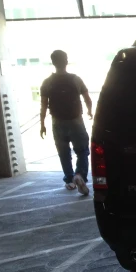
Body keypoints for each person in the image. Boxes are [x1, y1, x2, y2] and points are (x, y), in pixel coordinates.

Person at [39, 50, 93, 195]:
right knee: (82, 151)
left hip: (57, 122)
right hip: (76, 120)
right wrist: (89, 111)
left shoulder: (47, 82)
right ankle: (80, 175)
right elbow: (88, 98)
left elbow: (43, 105)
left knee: (63, 153)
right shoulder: (76, 79)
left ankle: (69, 180)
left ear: (53, 62)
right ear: (66, 61)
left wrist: (42, 124)